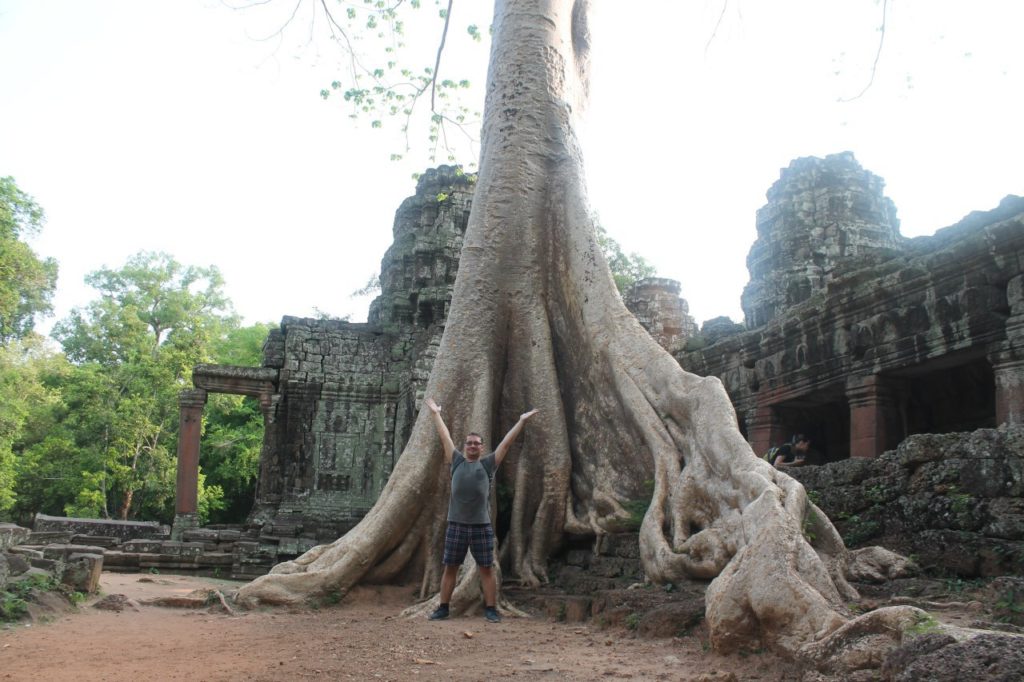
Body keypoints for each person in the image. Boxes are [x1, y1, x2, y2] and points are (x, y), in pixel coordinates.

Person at [424, 397, 538, 623]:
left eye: (477, 443)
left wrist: (522, 421)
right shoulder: (456, 461)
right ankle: (443, 607)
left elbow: (505, 444)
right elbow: (445, 437)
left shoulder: (487, 465)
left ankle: (491, 609)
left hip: (481, 526)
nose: (473, 445)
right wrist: (436, 414)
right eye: (469, 443)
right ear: (465, 446)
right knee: (451, 568)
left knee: (486, 568)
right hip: (456, 524)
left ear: (482, 447)